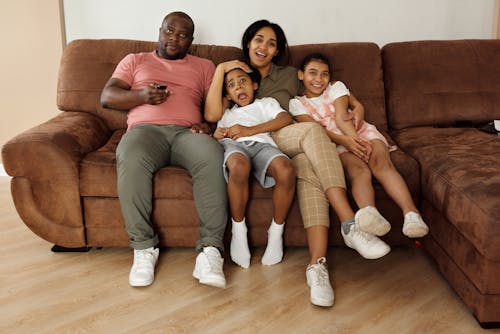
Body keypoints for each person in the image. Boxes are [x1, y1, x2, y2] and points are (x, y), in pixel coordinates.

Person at [205, 20, 389, 308]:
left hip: (286, 133)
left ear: (278, 50)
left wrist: (358, 107)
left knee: (308, 151)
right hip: (268, 139)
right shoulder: (236, 75)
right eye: (258, 40)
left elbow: (330, 91)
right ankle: (343, 233)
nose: (263, 47)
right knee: (310, 146)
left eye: (271, 43)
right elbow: (214, 116)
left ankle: (321, 261)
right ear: (248, 42)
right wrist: (220, 71)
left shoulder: (291, 75)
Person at [100, 11, 228, 289]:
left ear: (191, 41)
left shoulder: (205, 66)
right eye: (169, 31)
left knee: (212, 154)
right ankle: (144, 248)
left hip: (188, 132)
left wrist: (209, 125)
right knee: (130, 155)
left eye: (182, 35)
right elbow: (107, 97)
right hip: (146, 131)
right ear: (159, 31)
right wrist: (141, 96)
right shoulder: (135, 60)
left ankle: (210, 250)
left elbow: (217, 106)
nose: (174, 38)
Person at [290, 52, 430, 240]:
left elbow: (341, 117)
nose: (319, 79)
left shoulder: (335, 87)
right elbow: (315, 130)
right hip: (334, 143)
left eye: (324, 74)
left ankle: (412, 214)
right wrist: (347, 143)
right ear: (301, 74)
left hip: (359, 133)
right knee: (358, 170)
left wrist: (357, 142)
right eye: (312, 73)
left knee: (381, 164)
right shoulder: (296, 104)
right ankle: (370, 214)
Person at [206, 63, 296, 268]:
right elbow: (216, 130)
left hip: (262, 144)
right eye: (232, 85)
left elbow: (285, 118)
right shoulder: (226, 112)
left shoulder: (266, 103)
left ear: (254, 85)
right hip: (235, 146)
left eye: (243, 81)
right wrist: (216, 134)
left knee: (287, 170)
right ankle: (239, 232)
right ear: (227, 95)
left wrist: (250, 130)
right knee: (238, 166)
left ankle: (276, 233)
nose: (238, 87)